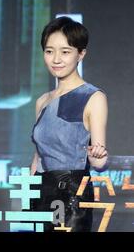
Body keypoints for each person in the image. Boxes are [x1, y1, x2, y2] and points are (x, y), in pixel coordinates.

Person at [30, 16, 108, 232]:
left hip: (72, 193)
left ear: (81, 53)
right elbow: (38, 156)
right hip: (41, 192)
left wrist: (97, 158)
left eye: (65, 52)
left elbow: (100, 159)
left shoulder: (92, 97)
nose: (56, 59)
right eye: (49, 51)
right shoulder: (42, 101)